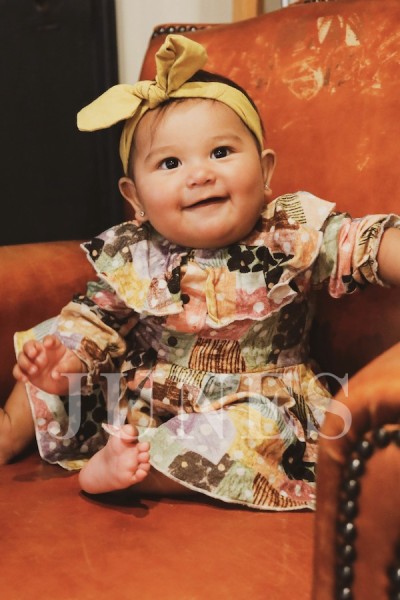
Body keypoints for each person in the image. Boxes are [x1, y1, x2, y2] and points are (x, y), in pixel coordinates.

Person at [1, 35, 400, 510]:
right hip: (143, 404)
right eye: (170, 162)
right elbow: (95, 321)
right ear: (135, 198)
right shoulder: (136, 254)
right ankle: (10, 431)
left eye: (221, 152)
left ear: (265, 171)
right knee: (54, 339)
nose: (200, 174)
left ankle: (133, 473)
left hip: (250, 406)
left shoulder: (290, 232)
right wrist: (64, 367)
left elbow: (362, 244)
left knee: (245, 435)